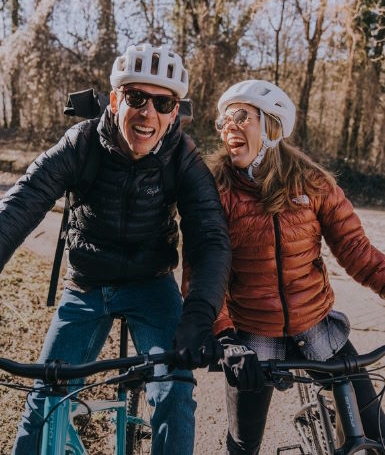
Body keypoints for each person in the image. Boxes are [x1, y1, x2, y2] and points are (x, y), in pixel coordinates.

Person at [0, 43, 231, 455]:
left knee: (175, 392)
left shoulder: (183, 156)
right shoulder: (81, 143)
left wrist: (199, 314)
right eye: (136, 98)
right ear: (114, 99)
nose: (148, 113)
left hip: (152, 283)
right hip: (87, 284)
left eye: (163, 103)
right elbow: (22, 202)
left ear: (175, 112)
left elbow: (210, 238)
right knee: (46, 396)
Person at [206, 79, 385, 454]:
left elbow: (356, 250)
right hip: (253, 336)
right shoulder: (217, 191)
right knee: (243, 445)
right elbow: (204, 273)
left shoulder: (313, 183)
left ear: (272, 125)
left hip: (316, 326)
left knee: (373, 430)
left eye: (240, 116)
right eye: (222, 121)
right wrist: (224, 338)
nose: (228, 128)